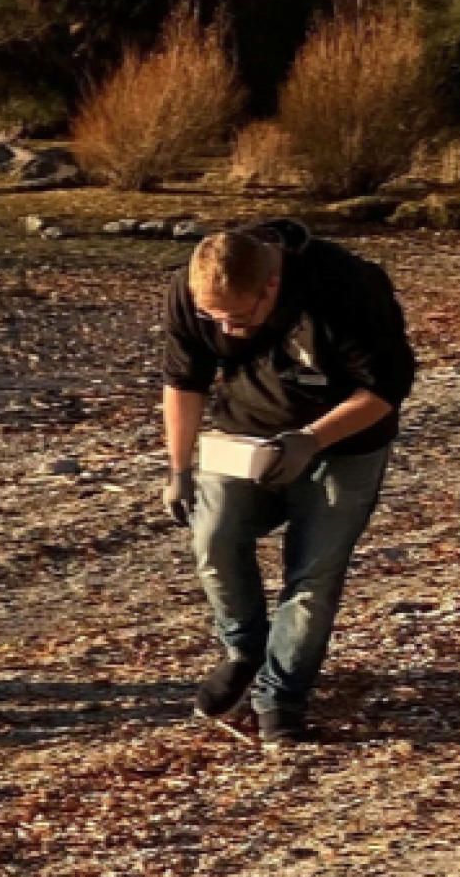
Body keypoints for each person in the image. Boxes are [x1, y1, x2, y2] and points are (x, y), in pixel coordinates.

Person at [162, 224, 414, 747]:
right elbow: (185, 381)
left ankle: (281, 695)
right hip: (243, 434)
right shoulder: (192, 290)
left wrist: (311, 440)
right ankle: (244, 650)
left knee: (313, 575)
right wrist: (180, 468)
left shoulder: (345, 286)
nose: (227, 333)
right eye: (214, 319)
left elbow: (387, 387)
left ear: (270, 290)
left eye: (239, 319)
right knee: (213, 536)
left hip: (346, 442)